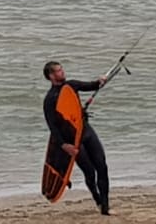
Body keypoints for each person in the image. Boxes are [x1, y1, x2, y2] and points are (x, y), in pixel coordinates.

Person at [42, 60, 111, 215]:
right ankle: (97, 199)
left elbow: (92, 85)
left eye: (62, 69)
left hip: (85, 130)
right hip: (72, 139)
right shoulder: (50, 99)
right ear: (51, 76)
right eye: (59, 71)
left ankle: (106, 207)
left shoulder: (71, 85)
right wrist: (64, 145)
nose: (62, 72)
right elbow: (52, 127)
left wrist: (101, 81)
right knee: (89, 172)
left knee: (102, 166)